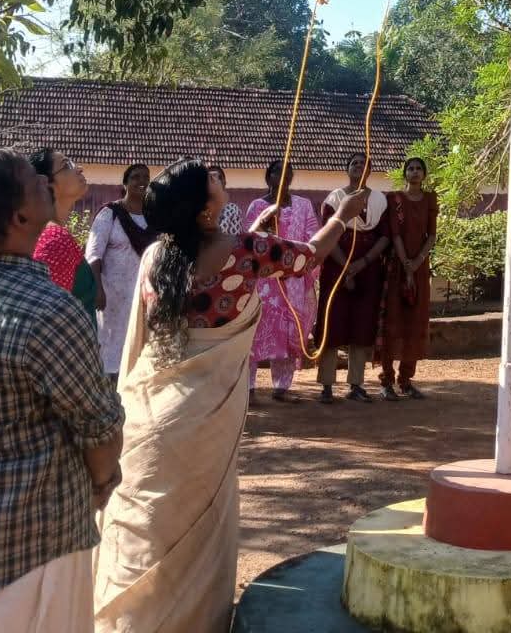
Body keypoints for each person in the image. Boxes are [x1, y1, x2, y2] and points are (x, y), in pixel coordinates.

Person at [93, 157, 355, 633]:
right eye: (211, 179)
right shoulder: (248, 251)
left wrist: (254, 232)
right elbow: (310, 256)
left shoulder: (157, 256)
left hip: (148, 412)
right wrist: (342, 215)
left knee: (148, 528)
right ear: (203, 208)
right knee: (196, 525)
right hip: (203, 419)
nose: (219, 178)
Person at [0, 150, 123, 631]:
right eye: (33, 179)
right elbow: (100, 430)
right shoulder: (50, 311)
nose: (44, 181)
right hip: (35, 542)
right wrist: (100, 484)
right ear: (19, 218)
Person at [316, 155, 390, 404]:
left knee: (362, 324)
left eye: (364, 163)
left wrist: (363, 263)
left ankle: (356, 384)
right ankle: (326, 385)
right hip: (336, 268)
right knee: (332, 323)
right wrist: (347, 267)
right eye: (354, 163)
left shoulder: (380, 200)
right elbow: (327, 234)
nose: (359, 166)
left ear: (370, 170)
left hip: (368, 271)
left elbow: (384, 236)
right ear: (346, 169)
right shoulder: (335, 199)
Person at [245, 161, 319, 401]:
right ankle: (248, 388)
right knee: (255, 332)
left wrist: (294, 265)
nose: (283, 176)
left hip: (293, 280)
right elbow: (249, 242)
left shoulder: (303, 205)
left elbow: (312, 240)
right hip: (265, 283)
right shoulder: (257, 206)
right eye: (278, 171)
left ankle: (281, 387)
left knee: (290, 331)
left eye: (288, 172)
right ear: (268, 177)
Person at [84, 164, 154, 382]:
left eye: (145, 177)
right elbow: (93, 254)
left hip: (143, 296)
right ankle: (107, 389)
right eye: (135, 177)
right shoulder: (110, 214)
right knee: (111, 348)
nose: (141, 181)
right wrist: (98, 289)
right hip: (112, 297)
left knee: (139, 346)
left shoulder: (153, 217)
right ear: (125, 183)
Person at [377, 156, 439, 400]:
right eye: (410, 169)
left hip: (420, 267)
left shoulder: (430, 200)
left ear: (424, 174)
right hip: (396, 267)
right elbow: (395, 234)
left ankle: (406, 380)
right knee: (392, 321)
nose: (414, 172)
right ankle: (386, 380)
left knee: (415, 320)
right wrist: (406, 265)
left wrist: (417, 263)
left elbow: (431, 236)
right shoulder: (395, 199)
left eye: (418, 169)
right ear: (405, 174)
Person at [29, 148, 98, 323]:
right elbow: (49, 318)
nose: (79, 168)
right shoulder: (54, 238)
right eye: (66, 165)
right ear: (48, 184)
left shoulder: (44, 232)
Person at [207, 164, 242, 234]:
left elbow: (235, 238)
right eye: (211, 178)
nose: (215, 181)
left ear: (224, 183)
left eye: (219, 177)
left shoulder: (233, 209)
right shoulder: (199, 209)